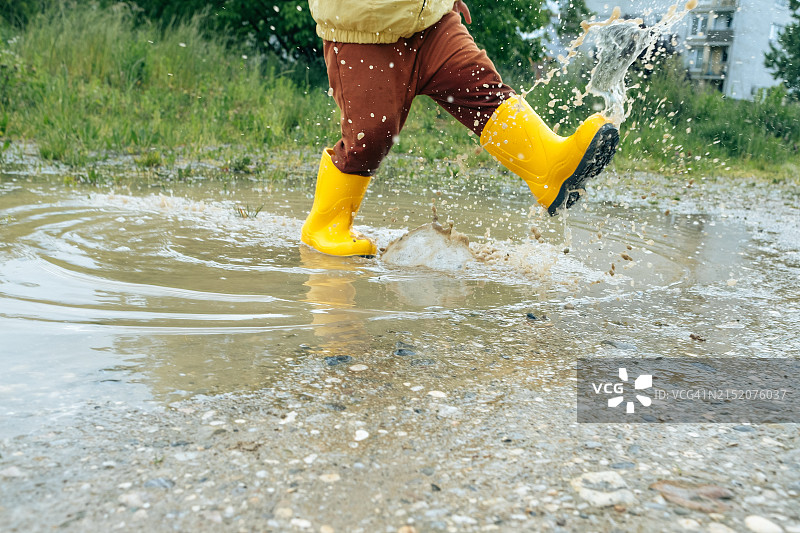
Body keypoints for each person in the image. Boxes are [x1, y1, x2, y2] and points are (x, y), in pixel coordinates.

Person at [301, 0, 619, 257]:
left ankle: (549, 169)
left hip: (432, 20)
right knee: (371, 136)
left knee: (482, 89)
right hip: (362, 29)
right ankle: (327, 224)